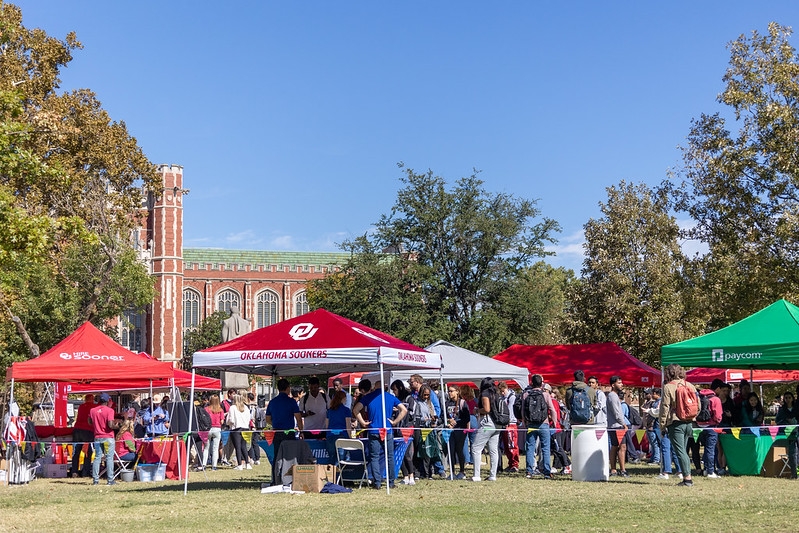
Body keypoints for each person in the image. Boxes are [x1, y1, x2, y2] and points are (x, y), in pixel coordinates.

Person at [352, 378, 407, 490]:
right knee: (390, 456)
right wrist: (395, 422)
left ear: (374, 387)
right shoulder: (391, 397)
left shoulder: (369, 397)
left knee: (374, 457)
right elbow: (404, 410)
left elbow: (355, 409)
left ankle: (377, 482)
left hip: (373, 430)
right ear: (385, 387)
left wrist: (362, 422)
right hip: (387, 430)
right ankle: (391, 482)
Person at [659, 363, 695, 487]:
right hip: (689, 422)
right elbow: (698, 405)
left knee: (680, 452)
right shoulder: (689, 385)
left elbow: (664, 407)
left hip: (675, 422)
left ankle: (687, 478)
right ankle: (687, 476)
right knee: (683, 450)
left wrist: (662, 425)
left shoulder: (668, 387)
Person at [265, 378, 303, 485]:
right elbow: (298, 418)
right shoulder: (291, 402)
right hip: (289, 432)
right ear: (288, 388)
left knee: (277, 457)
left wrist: (276, 424)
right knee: (290, 457)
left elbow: (267, 419)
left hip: (277, 432)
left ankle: (276, 480)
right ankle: (289, 479)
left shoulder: (272, 402)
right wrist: (301, 430)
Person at [521, 374, 556, 480]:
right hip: (543, 424)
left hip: (531, 424)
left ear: (531, 383)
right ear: (542, 383)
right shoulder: (545, 395)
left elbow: (523, 410)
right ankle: (546, 472)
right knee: (545, 448)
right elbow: (552, 410)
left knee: (530, 447)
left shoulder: (526, 395)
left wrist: (524, 422)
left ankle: (529, 471)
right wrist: (554, 422)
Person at [471, 377, 502, 482]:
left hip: (487, 424)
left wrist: (477, 410)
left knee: (476, 448)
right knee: (493, 450)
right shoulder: (496, 394)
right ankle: (493, 475)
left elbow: (487, 409)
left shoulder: (485, 394)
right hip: (497, 424)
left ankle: (476, 475)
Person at [391, 379, 418, 485]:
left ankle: (411, 475)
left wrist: (399, 411)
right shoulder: (396, 399)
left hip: (406, 429)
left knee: (406, 453)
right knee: (398, 453)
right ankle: (405, 476)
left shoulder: (410, 398)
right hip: (397, 428)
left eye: (395, 390)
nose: (394, 392)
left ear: (400, 388)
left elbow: (411, 414)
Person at [90, 393, 119, 486]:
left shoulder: (92, 410)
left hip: (97, 437)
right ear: (107, 401)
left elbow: (90, 422)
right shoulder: (110, 410)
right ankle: (110, 480)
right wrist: (117, 426)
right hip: (108, 437)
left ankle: (95, 480)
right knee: (109, 458)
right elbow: (110, 425)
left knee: (97, 457)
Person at [696, 384, 722, 478]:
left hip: (699, 426)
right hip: (711, 426)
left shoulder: (698, 397)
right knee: (710, 449)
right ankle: (711, 471)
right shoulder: (715, 399)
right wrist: (717, 421)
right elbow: (718, 415)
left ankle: (706, 469)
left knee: (705, 449)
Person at [445, 384, 470, 480]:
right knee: (451, 450)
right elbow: (443, 415)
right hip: (450, 430)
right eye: (449, 391)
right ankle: (452, 472)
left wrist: (457, 422)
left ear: (457, 392)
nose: (450, 393)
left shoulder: (462, 403)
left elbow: (466, 417)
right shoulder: (447, 403)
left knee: (459, 450)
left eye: (451, 391)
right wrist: (448, 421)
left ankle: (462, 471)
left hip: (460, 430)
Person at [607, 375, 628, 477]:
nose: (621, 384)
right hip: (616, 426)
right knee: (621, 447)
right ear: (613, 384)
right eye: (619, 383)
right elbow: (616, 412)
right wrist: (623, 423)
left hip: (615, 425)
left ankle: (614, 470)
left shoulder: (613, 396)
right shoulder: (612, 396)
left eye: (621, 382)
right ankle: (621, 470)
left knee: (615, 446)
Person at [324, 390, 352, 467]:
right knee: (340, 459)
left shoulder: (329, 411)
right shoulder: (346, 410)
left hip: (330, 436)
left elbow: (327, 426)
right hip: (342, 436)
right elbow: (348, 425)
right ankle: (338, 477)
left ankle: (331, 477)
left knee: (331, 458)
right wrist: (350, 437)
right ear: (343, 398)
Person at [71, 394, 95, 478]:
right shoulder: (93, 406)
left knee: (76, 452)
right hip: (87, 431)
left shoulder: (81, 406)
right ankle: (85, 472)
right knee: (88, 452)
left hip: (77, 430)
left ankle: (74, 471)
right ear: (92, 399)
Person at [497, 381, 519, 473]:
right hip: (504, 424)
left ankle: (515, 464)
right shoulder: (502, 398)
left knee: (512, 445)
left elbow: (510, 411)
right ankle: (510, 463)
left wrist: (507, 421)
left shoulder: (512, 397)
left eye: (503, 391)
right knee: (506, 446)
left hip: (511, 424)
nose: (502, 393)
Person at [226, 394, 252, 470]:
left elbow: (231, 420)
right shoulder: (246, 408)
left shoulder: (232, 408)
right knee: (243, 446)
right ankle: (247, 463)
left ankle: (240, 464)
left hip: (236, 429)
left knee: (237, 447)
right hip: (245, 428)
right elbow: (249, 418)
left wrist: (228, 423)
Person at [776, 391, 798, 479]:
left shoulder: (797, 408)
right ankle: (794, 474)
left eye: (789, 397)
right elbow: (778, 421)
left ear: (792, 398)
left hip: (797, 432)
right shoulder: (782, 410)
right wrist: (786, 421)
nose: (788, 399)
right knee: (792, 454)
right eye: (786, 398)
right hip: (789, 434)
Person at [202, 394, 225, 470]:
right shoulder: (220, 410)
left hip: (208, 429)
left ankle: (204, 464)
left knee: (206, 448)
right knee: (215, 449)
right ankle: (214, 466)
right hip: (217, 429)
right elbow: (222, 421)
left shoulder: (206, 409)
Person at [642, 388, 661, 464]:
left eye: (648, 393)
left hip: (654, 426)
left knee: (656, 443)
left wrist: (648, 410)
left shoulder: (658, 402)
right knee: (653, 444)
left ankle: (656, 459)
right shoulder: (653, 402)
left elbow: (657, 413)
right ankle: (653, 458)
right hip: (650, 425)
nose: (646, 395)